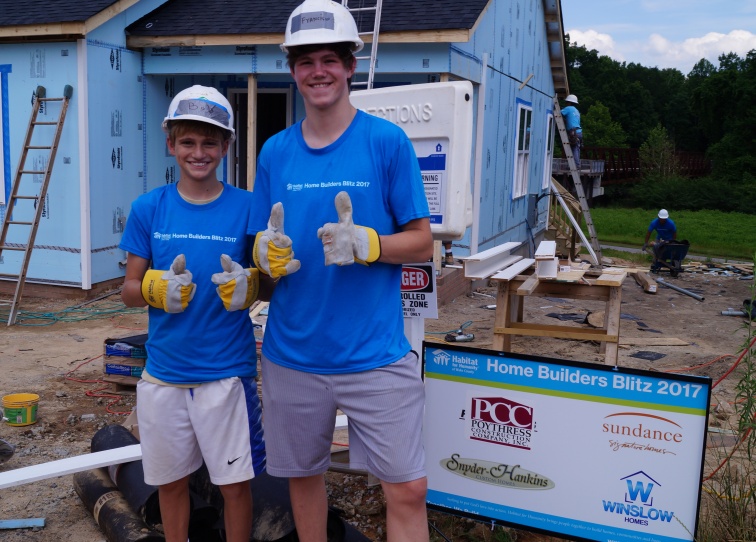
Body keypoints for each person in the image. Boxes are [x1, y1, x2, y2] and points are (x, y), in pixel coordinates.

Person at [248, 0, 434, 540]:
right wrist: (264, 260)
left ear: (351, 66)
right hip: (292, 356)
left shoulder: (385, 142)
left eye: (330, 59)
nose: (318, 71)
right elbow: (263, 257)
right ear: (293, 70)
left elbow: (422, 243)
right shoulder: (275, 153)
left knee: (408, 488)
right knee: (303, 478)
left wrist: (371, 242)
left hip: (374, 354)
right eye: (305, 61)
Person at [119, 85, 297, 542]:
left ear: (226, 146)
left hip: (226, 376)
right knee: (170, 483)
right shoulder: (148, 208)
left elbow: (272, 283)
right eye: (188, 142)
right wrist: (155, 288)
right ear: (171, 144)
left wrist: (253, 285)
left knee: (235, 486)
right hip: (163, 373)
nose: (199, 153)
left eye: (210, 143)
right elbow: (128, 290)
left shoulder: (247, 206)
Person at [562, 94, 583, 170]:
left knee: (574, 149)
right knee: (577, 149)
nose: (566, 103)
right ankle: (577, 164)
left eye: (567, 102)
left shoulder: (568, 108)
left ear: (569, 102)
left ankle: (576, 165)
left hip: (573, 133)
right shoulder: (577, 111)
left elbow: (558, 113)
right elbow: (573, 121)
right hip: (579, 132)